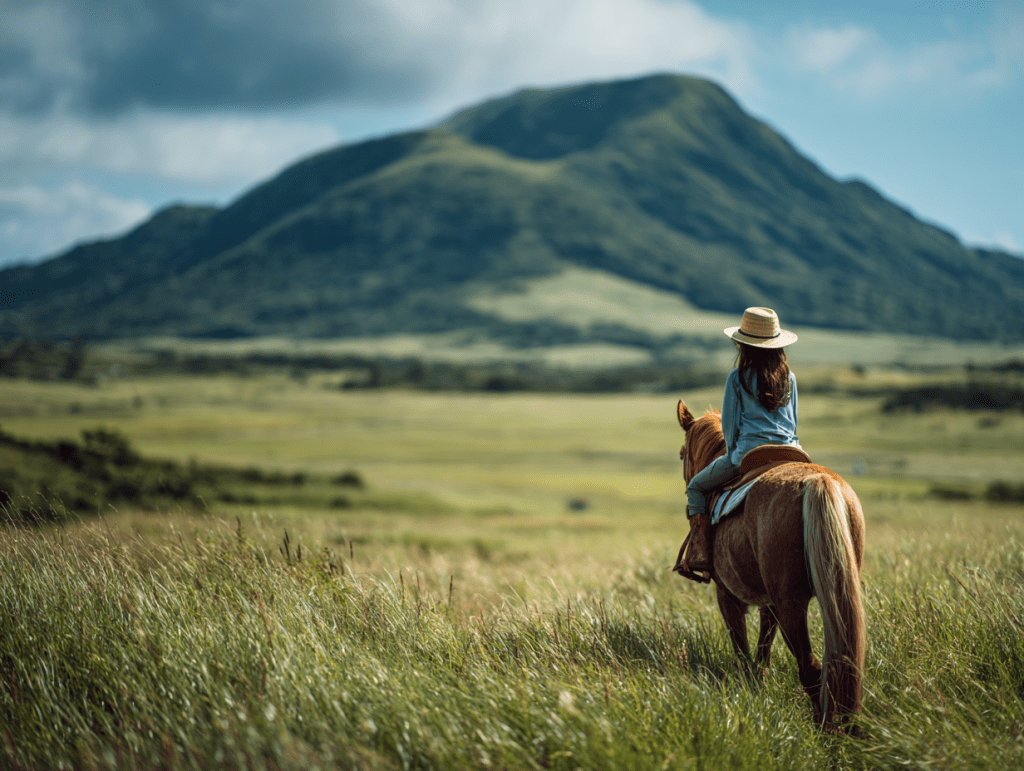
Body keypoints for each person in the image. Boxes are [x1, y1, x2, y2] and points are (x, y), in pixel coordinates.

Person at [684, 307, 801, 573]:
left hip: (749, 453)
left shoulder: (737, 378)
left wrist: (734, 450)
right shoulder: (790, 379)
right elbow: (793, 423)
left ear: (744, 345)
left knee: (696, 487)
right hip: (791, 452)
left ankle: (700, 548)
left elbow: (729, 427)